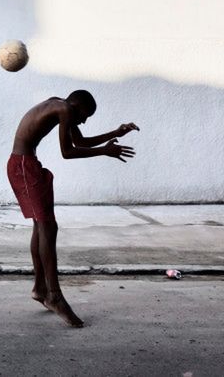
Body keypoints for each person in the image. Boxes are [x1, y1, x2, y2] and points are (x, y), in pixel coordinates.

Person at [8, 90, 138, 327]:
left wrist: (116, 133)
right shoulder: (65, 110)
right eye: (85, 116)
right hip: (24, 167)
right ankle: (54, 295)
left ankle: (40, 288)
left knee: (42, 226)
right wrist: (105, 151)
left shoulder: (60, 105)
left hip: (24, 165)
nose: (84, 121)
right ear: (76, 106)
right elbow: (67, 152)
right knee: (47, 227)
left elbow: (81, 142)